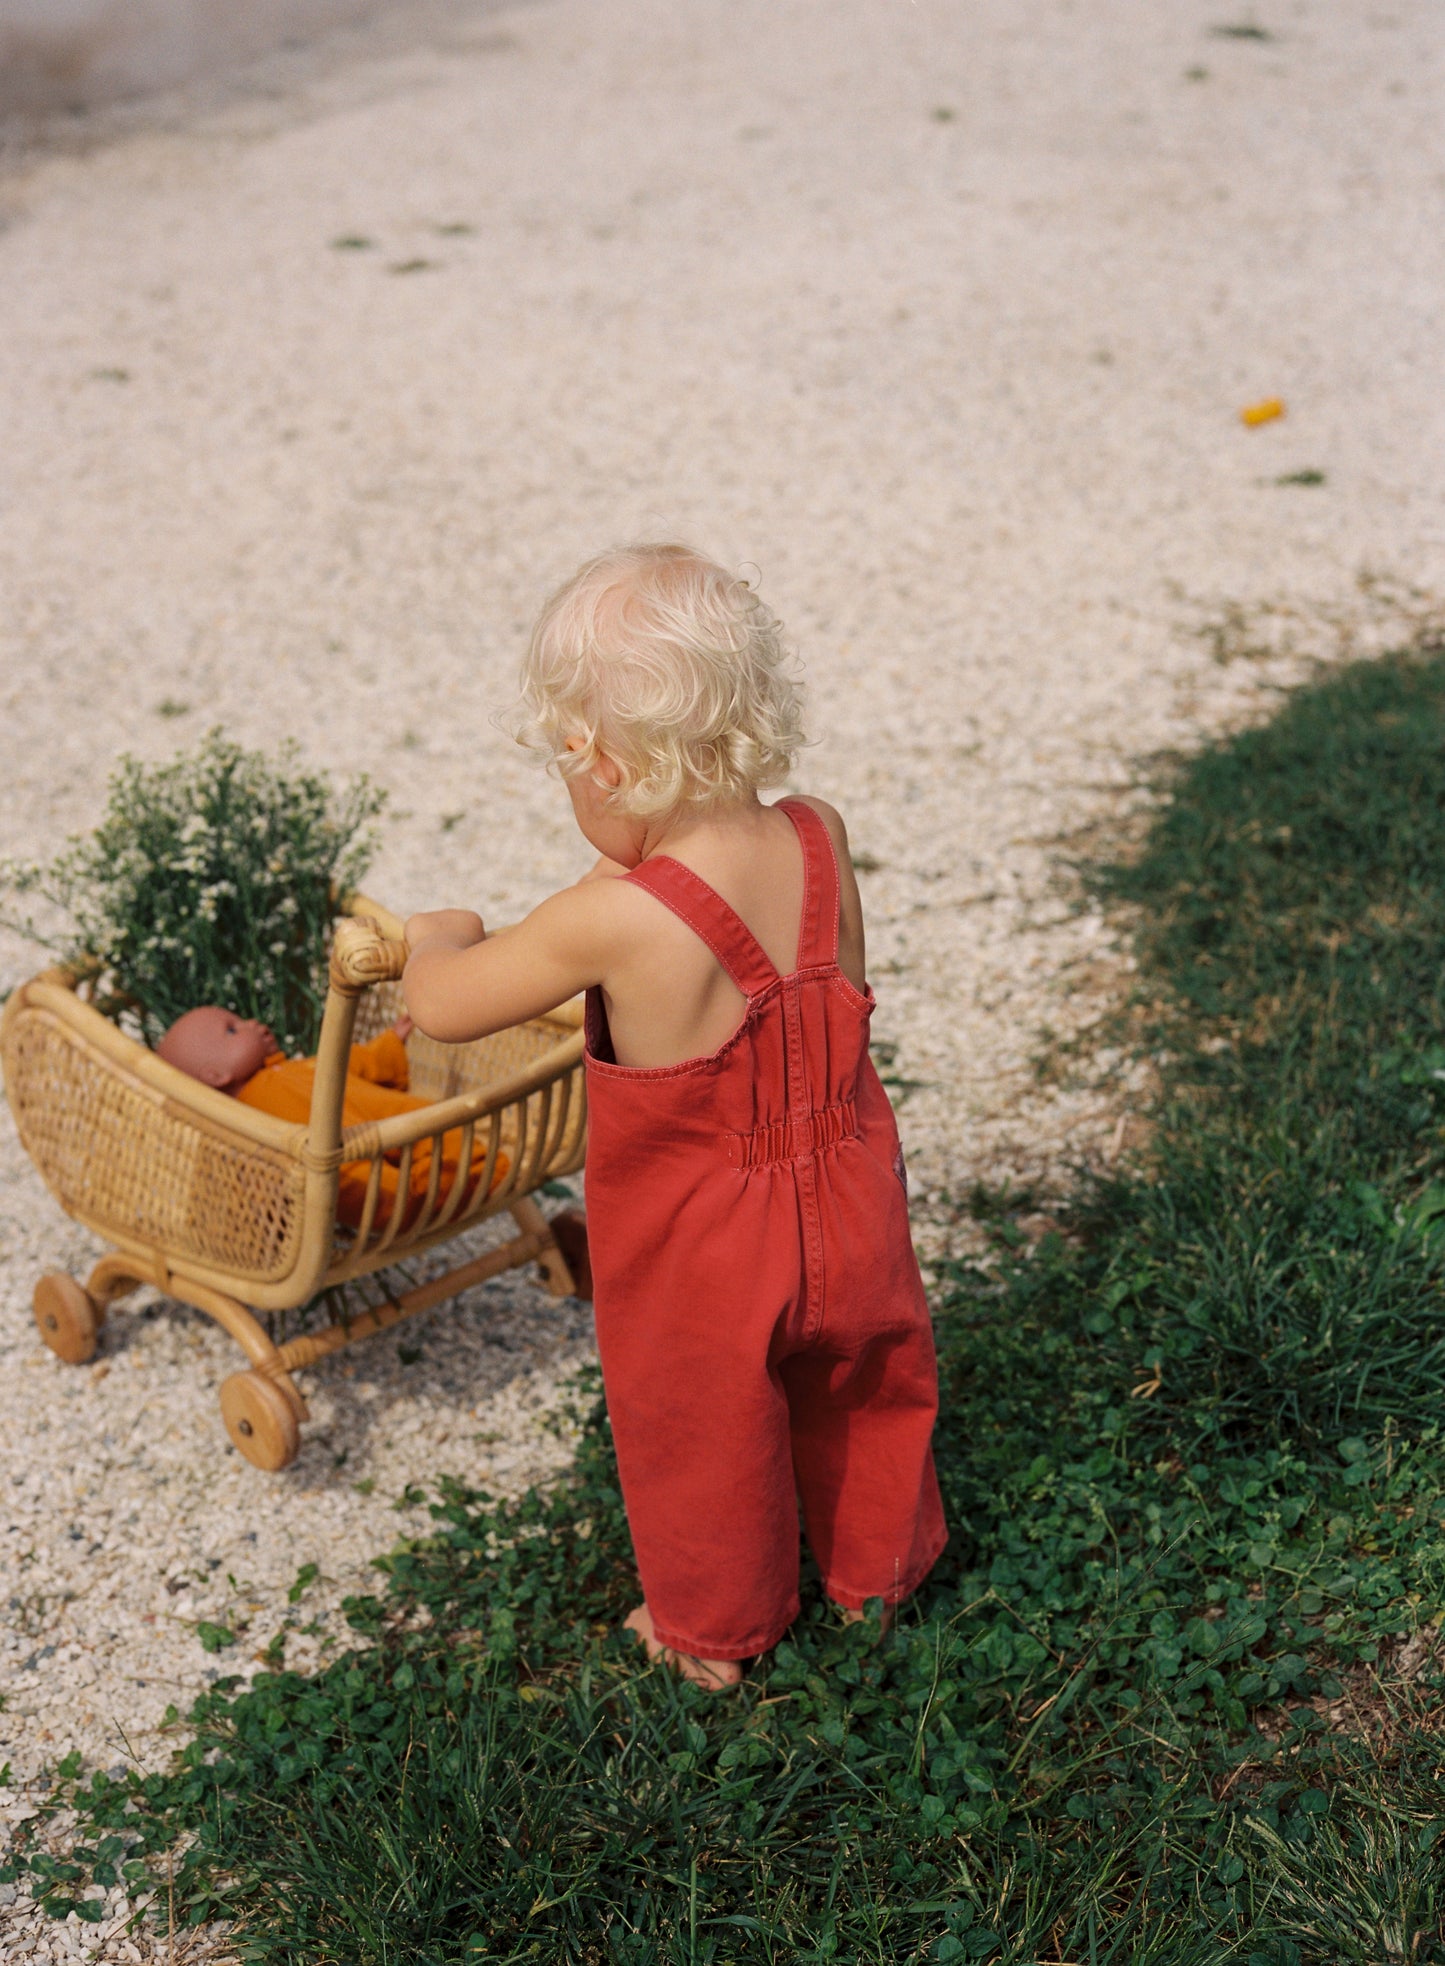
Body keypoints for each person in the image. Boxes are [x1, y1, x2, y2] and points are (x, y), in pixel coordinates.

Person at [402, 543, 946, 1688]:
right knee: (863, 1374)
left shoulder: (610, 921)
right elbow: (835, 976)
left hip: (701, 1238)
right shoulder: (818, 833)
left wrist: (433, 935)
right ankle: (875, 1574)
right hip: (848, 1184)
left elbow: (445, 1010)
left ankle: (715, 1625)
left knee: (700, 1424)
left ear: (599, 761)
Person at [155, 1005, 507, 1230]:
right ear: (215, 1075)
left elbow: (346, 1065)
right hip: (343, 1168)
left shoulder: (292, 1069)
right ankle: (468, 1181)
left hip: (394, 1134)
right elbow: (245, 1185)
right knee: (385, 1189)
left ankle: (470, 1175)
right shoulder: (242, 1123)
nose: (252, 1023)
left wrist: (388, 1045)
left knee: (437, 1132)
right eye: (232, 1029)